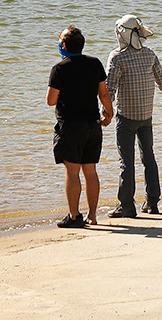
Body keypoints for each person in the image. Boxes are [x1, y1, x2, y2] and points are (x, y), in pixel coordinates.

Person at [105, 14, 162, 218]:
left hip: (126, 117)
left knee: (126, 162)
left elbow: (109, 90)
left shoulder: (117, 57)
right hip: (146, 117)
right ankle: (152, 202)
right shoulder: (149, 54)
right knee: (149, 157)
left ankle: (127, 205)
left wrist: (105, 114)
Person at [48, 25, 113, 228]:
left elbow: (51, 100)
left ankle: (74, 215)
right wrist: (109, 113)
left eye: (60, 41)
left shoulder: (59, 68)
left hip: (71, 126)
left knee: (72, 172)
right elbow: (103, 94)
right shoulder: (94, 64)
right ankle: (92, 215)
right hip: (92, 123)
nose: (59, 44)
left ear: (65, 45)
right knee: (90, 171)